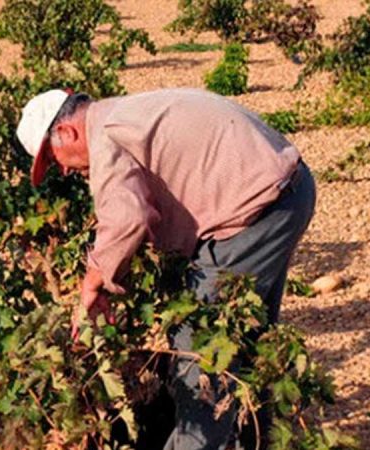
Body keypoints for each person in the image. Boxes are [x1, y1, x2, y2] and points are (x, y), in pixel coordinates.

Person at [16, 88, 316, 449]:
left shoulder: (105, 136)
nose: (62, 171)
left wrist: (93, 282)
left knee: (199, 354)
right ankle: (257, 440)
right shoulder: (124, 113)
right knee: (248, 337)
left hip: (256, 212)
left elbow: (128, 218)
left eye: (53, 159)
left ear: (67, 133)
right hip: (287, 192)